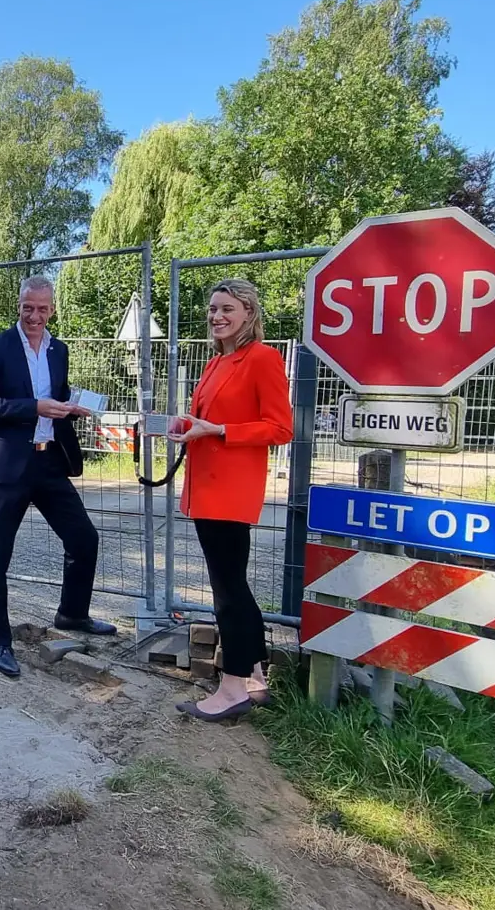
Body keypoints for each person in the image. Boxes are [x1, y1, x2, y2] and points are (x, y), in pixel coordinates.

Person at [0, 274, 116, 679]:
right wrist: (35, 407)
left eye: (43, 308)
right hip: (9, 469)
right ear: (18, 305)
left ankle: (72, 613)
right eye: (28, 307)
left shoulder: (59, 350)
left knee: (84, 538)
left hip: (50, 462)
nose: (35, 316)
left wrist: (72, 407)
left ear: (53, 308)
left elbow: (58, 395)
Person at [166, 277, 293, 722]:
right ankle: (254, 676)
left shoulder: (263, 358)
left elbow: (280, 428)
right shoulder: (216, 362)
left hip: (231, 490)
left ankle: (233, 687)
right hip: (206, 486)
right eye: (213, 309)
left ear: (249, 314)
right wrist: (188, 425)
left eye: (228, 309)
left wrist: (220, 431)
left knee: (228, 590)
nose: (217, 316)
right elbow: (209, 418)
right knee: (233, 584)